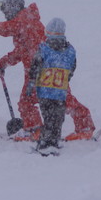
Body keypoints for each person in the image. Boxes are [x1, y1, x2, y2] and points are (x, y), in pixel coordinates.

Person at [0, 0, 95, 141]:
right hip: (47, 67)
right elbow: (23, 50)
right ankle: (84, 125)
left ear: (14, 6)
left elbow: (0, 29)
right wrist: (4, 62)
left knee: (29, 101)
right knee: (61, 98)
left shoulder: (23, 20)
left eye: (4, 7)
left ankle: (35, 130)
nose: (4, 12)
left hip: (39, 70)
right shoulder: (27, 20)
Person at [27, 18, 75, 156]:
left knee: (52, 118)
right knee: (55, 118)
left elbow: (34, 67)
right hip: (57, 92)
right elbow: (72, 68)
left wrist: (32, 81)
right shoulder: (70, 51)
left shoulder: (43, 49)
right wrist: (65, 79)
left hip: (47, 91)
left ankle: (48, 142)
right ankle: (48, 142)